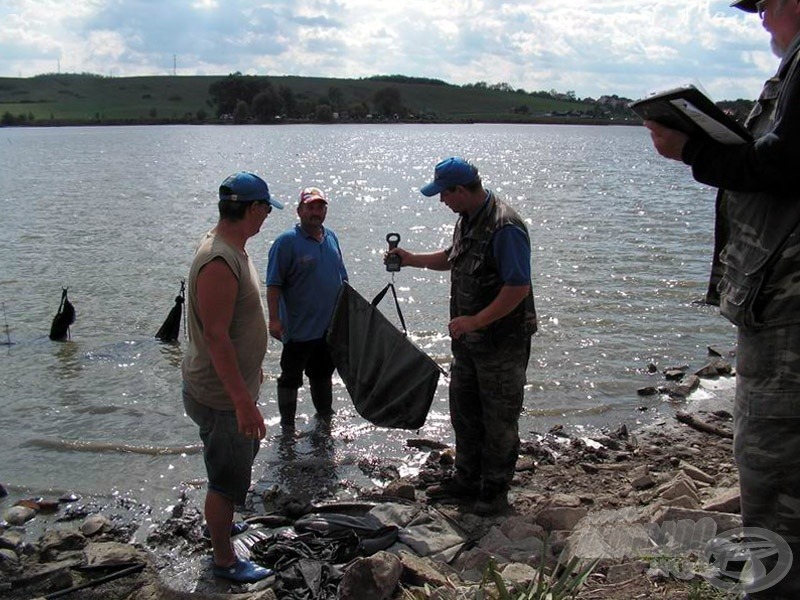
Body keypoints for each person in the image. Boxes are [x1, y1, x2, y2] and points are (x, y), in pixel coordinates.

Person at [645, 1, 800, 597]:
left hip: (789, 315)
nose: (759, 15)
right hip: (779, 306)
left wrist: (694, 150)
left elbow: (785, 161)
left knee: (777, 485)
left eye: (764, 1)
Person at [386, 157, 537, 516]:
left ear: (460, 190)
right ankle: (466, 479)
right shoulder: (467, 220)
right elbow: (452, 258)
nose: (442, 201)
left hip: (502, 343)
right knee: (464, 413)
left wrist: (475, 321)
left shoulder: (505, 227)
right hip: (469, 344)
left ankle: (494, 493)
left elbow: (517, 287)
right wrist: (409, 259)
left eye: (444, 194)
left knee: (499, 420)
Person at [181, 171, 282, 583]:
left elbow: (232, 327)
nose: (266, 218)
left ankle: (220, 526)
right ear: (253, 208)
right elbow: (217, 336)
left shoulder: (233, 247)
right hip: (222, 396)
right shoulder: (219, 259)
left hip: (229, 387)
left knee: (226, 467)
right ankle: (224, 560)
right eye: (265, 209)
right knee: (226, 479)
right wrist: (242, 401)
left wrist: (251, 368)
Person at [266, 186, 348, 429]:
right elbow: (273, 285)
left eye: (320, 207)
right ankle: (287, 427)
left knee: (322, 374)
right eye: (310, 207)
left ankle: (325, 420)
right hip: (298, 328)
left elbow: (342, 280)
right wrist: (273, 320)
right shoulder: (286, 242)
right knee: (290, 378)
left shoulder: (331, 237)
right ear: (299, 210)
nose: (316, 212)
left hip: (327, 328)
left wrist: (347, 316)